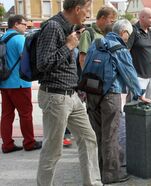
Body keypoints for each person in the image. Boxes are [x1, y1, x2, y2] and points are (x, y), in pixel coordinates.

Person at [36, 0, 101, 185]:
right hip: (56, 96)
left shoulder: (68, 28)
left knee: (88, 138)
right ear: (77, 9)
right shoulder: (53, 27)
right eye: (87, 10)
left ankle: (93, 183)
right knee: (52, 149)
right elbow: (43, 63)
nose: (88, 15)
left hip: (71, 96)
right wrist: (69, 46)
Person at [85, 19, 151, 184]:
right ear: (124, 33)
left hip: (92, 93)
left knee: (97, 134)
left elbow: (85, 65)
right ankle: (111, 175)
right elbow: (129, 73)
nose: (128, 39)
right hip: (110, 95)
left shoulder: (96, 43)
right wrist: (139, 94)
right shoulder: (120, 49)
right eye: (128, 35)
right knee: (111, 135)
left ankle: (98, 171)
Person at [0, 15, 42, 153]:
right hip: (19, 83)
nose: (26, 27)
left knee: (6, 114)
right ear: (16, 24)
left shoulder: (3, 38)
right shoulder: (19, 39)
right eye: (24, 24)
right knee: (25, 114)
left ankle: (7, 144)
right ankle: (29, 142)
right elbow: (27, 60)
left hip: (4, 82)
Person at [127, 7, 151, 101]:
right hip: (137, 76)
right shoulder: (133, 31)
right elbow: (125, 53)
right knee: (135, 105)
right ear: (142, 17)